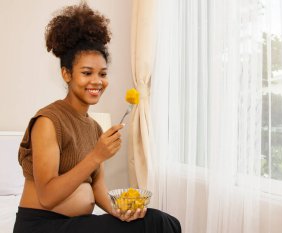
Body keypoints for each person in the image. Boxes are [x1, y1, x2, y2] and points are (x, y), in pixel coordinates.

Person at [13, 2, 181, 233]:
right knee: (157, 224)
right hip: (41, 226)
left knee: (162, 221)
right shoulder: (48, 121)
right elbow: (47, 196)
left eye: (102, 74)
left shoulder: (93, 128)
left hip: (75, 224)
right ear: (66, 74)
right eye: (86, 73)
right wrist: (96, 155)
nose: (97, 81)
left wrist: (119, 212)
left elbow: (97, 186)